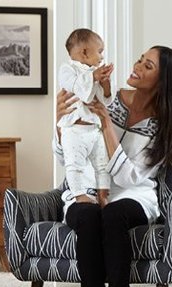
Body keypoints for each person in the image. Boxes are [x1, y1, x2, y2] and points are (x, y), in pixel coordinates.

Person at [53, 45, 172, 287]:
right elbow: (68, 157)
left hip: (135, 196)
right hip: (86, 191)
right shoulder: (104, 96)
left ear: (164, 80)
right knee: (89, 214)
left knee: (114, 214)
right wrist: (60, 124)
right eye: (140, 60)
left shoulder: (166, 124)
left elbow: (130, 176)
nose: (137, 66)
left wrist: (106, 125)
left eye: (148, 66)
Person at [57, 28, 115, 211]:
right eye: (100, 51)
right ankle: (79, 194)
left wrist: (105, 85)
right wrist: (93, 77)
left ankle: (103, 195)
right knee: (74, 165)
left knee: (103, 165)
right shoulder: (67, 70)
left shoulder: (93, 72)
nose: (102, 57)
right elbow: (79, 89)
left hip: (94, 130)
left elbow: (103, 100)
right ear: (84, 52)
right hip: (74, 131)